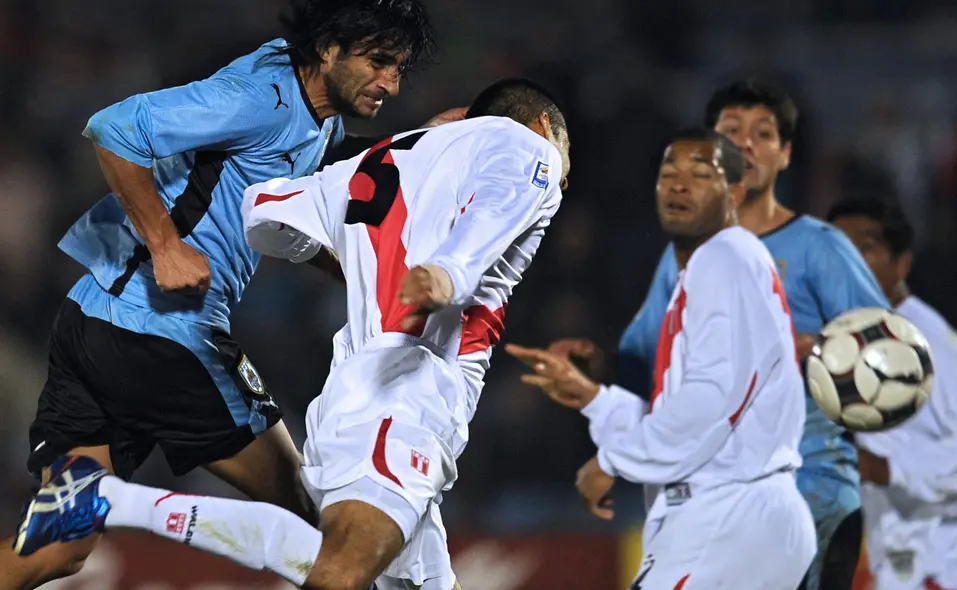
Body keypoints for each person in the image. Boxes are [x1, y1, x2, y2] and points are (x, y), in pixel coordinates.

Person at [15, 78, 571, 590]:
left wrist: (358, 263)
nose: (562, 171)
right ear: (542, 128)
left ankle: (103, 501)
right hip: (406, 389)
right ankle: (110, 501)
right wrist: (448, 271)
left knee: (371, 568)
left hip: (358, 389)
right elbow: (490, 216)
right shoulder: (526, 146)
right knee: (339, 570)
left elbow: (264, 211)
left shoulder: (374, 161)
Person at [547, 80, 888, 590]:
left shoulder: (784, 251)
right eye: (732, 130)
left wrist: (817, 350)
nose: (747, 143)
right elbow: (666, 384)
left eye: (762, 132)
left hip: (779, 492)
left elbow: (888, 361)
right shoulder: (696, 262)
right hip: (733, 499)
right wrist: (596, 387)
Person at [508, 128, 815, 588]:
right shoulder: (710, 273)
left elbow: (710, 402)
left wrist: (612, 462)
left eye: (699, 174)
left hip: (727, 517)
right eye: (668, 173)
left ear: (735, 192)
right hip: (740, 516)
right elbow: (694, 417)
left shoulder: (723, 259)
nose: (677, 184)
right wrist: (595, 399)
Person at [829, 194, 957, 590]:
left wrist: (889, 468)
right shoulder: (851, 342)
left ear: (901, 263)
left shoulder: (924, 339)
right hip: (905, 566)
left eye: (865, 248)